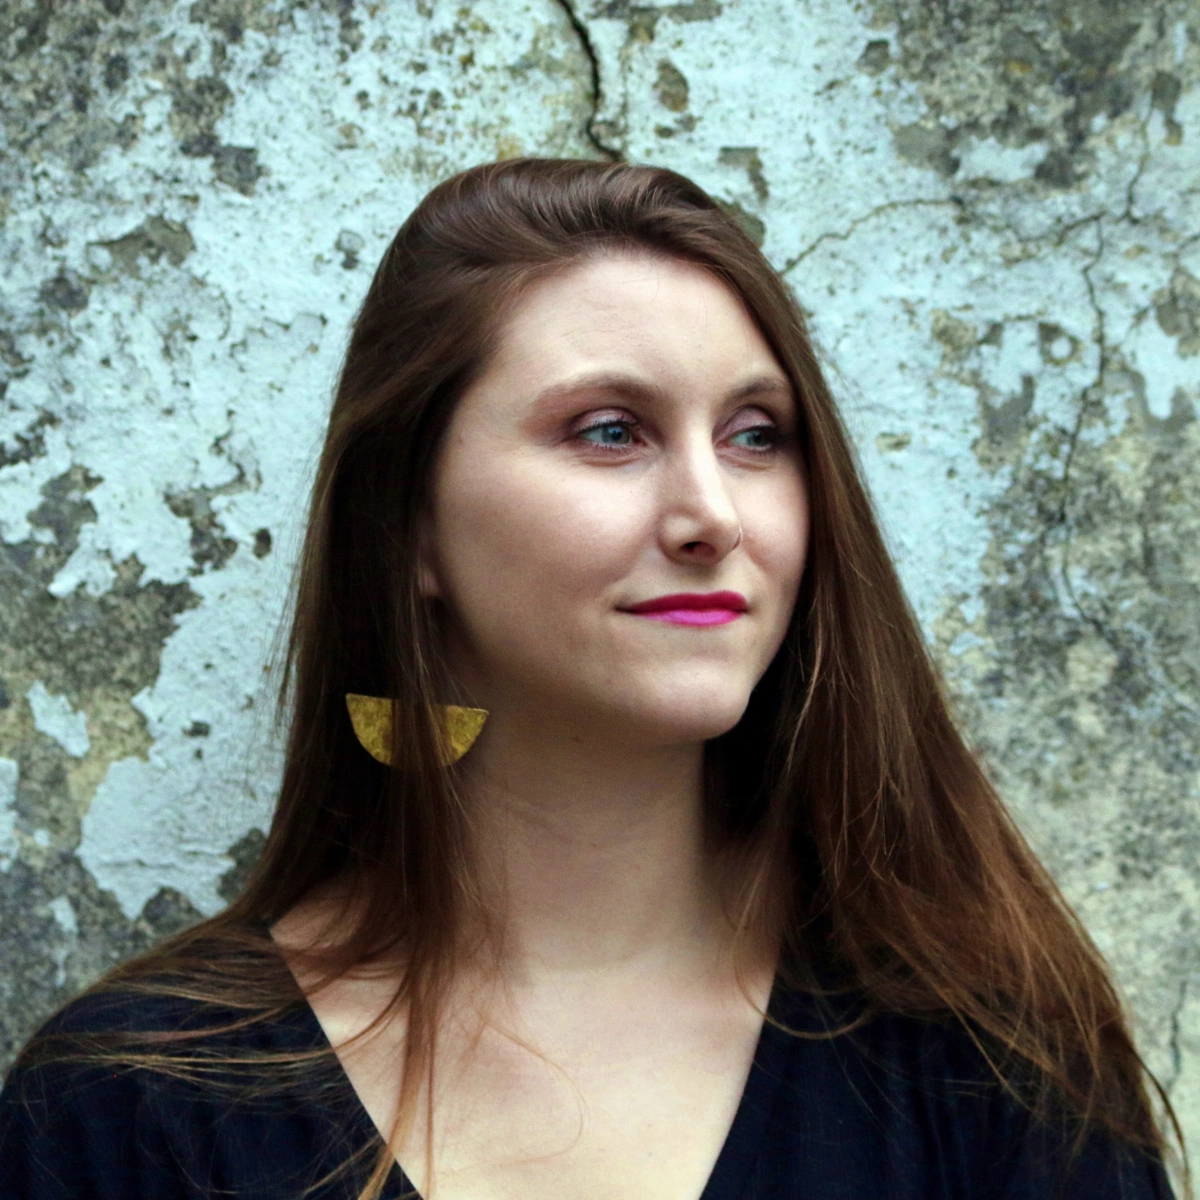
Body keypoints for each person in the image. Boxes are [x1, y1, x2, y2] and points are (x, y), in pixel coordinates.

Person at [0, 159, 1181, 1200]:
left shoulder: (986, 1060)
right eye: (610, 431)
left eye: (756, 434)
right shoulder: (131, 1108)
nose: (713, 514)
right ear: (409, 523)